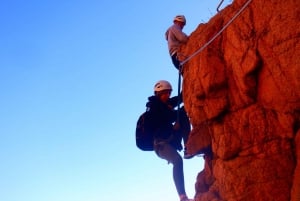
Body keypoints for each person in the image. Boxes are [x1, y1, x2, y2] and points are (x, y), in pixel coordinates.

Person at [146, 80, 194, 201]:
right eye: (165, 93)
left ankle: (188, 147)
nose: (167, 96)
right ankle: (182, 197)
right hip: (160, 144)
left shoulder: (165, 103)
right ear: (158, 93)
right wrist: (174, 123)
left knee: (182, 114)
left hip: (169, 137)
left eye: (169, 93)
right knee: (177, 161)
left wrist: (187, 78)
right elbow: (165, 117)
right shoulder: (154, 107)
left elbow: (179, 98)